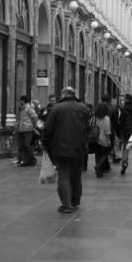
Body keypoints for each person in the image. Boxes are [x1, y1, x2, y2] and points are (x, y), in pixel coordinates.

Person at [40, 86, 89, 214]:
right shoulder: (83, 108)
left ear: (63, 94)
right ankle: (75, 201)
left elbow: (48, 128)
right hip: (78, 147)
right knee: (76, 176)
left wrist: (44, 143)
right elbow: (87, 128)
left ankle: (66, 205)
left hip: (60, 148)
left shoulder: (56, 108)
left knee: (64, 175)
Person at [117, 93, 132, 175]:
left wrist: (120, 129)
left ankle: (124, 163)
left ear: (127, 99)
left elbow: (121, 121)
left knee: (126, 148)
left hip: (127, 132)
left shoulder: (124, 109)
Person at [15, 95, 39, 166]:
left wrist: (33, 127)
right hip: (21, 130)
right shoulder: (21, 108)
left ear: (23, 101)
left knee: (27, 145)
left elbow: (35, 118)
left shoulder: (28, 108)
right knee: (22, 146)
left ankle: (33, 159)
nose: (19, 102)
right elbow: (19, 119)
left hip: (28, 130)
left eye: (19, 100)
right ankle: (25, 161)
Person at [92, 99, 113, 177]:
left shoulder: (94, 117)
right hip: (103, 139)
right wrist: (109, 140)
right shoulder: (106, 118)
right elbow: (107, 131)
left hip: (95, 138)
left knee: (97, 155)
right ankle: (98, 166)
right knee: (105, 154)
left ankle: (99, 172)